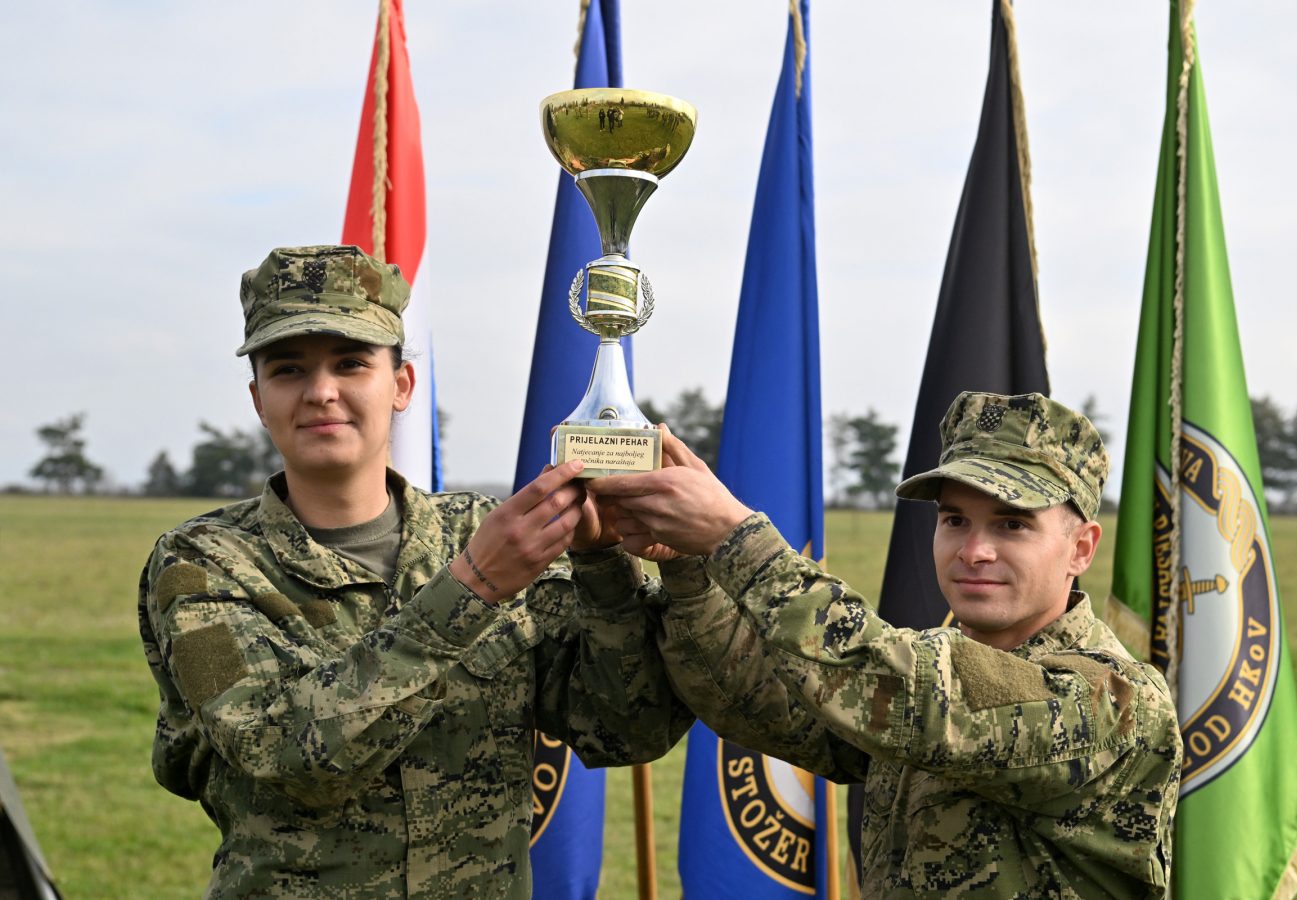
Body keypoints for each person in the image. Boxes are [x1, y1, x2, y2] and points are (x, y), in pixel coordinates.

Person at [138, 245, 691, 898]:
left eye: (351, 363)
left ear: (401, 385)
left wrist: (603, 566)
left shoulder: (477, 531)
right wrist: (472, 591)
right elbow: (284, 757)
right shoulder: (202, 563)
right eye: (288, 370)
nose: (321, 392)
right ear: (259, 399)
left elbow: (626, 728)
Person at [591, 391, 1183, 898]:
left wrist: (735, 537)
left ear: (1081, 548)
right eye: (955, 520)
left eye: (1012, 524)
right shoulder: (923, 674)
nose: (974, 551)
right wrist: (687, 565)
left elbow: (918, 697)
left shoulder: (1116, 700)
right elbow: (758, 701)